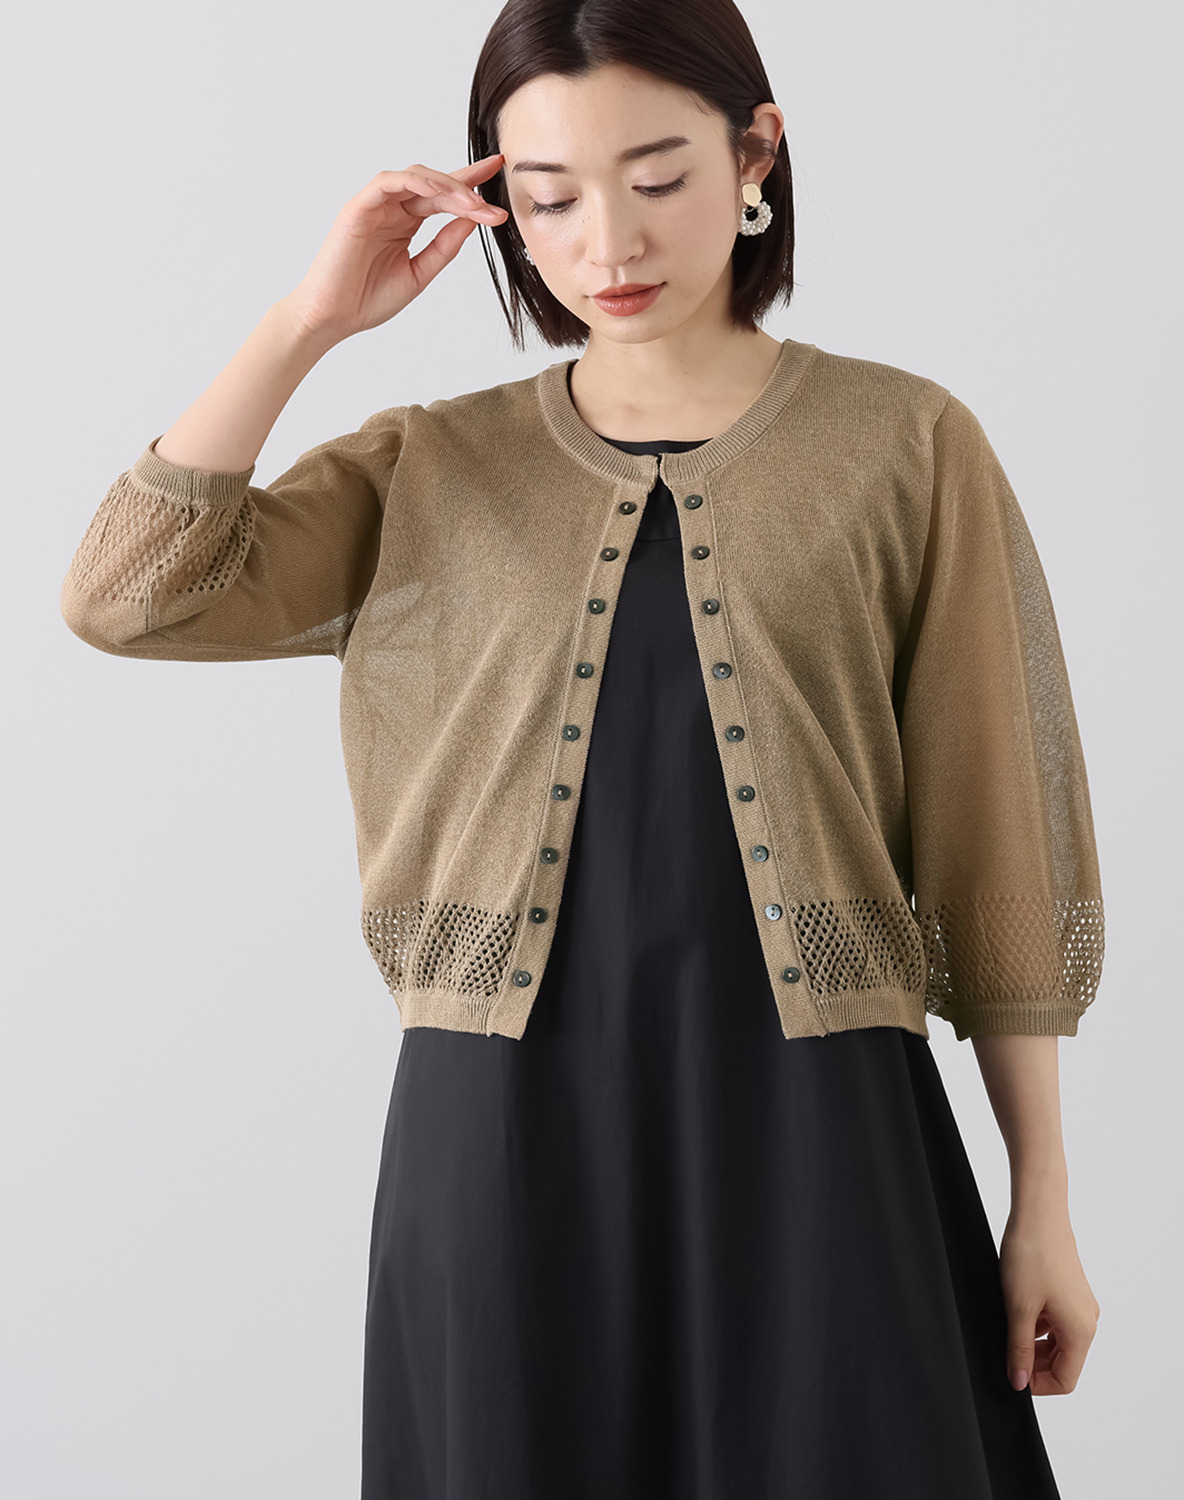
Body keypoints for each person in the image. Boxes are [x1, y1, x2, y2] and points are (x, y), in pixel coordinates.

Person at [60, 1, 1106, 1495]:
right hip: (503, 1129)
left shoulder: (905, 444)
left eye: (658, 177)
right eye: (549, 200)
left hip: (820, 1121)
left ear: (756, 155)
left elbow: (997, 833)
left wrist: (1041, 1200)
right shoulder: (430, 464)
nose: (608, 241)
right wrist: (309, 321)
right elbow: (128, 595)